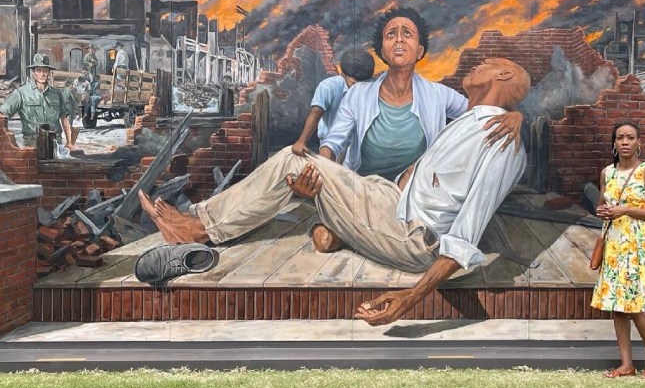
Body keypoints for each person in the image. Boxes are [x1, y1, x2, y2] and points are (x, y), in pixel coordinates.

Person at [140, 57, 531, 326]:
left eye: (488, 63)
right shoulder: (473, 120)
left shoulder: (501, 139)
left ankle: (200, 229)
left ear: (504, 75)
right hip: (389, 200)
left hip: (413, 236)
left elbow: (465, 235)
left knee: (293, 161)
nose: (478, 65)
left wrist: (410, 298)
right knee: (308, 171)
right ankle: (335, 227)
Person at [320, 6, 521, 180]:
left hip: (415, 192)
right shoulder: (358, 94)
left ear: (419, 51)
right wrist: (320, 170)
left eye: (407, 34)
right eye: (391, 34)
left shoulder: (439, 94)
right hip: (361, 188)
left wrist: (513, 115)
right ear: (382, 50)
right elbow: (334, 141)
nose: (399, 39)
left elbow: (478, 115)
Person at [591, 120, 645, 380]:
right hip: (613, 242)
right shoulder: (607, 173)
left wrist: (625, 210)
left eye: (630, 137)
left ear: (638, 142)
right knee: (617, 305)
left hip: (637, 244)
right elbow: (602, 205)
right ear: (614, 143)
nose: (625, 142)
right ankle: (626, 364)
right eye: (620, 137)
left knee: (634, 304)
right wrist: (603, 211)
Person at [291, 47, 376, 158]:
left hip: (360, 144)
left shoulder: (374, 87)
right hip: (331, 143)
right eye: (354, 83)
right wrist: (301, 141)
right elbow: (315, 113)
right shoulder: (328, 87)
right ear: (343, 74)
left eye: (363, 83)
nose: (358, 88)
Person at [0, 53, 76, 149]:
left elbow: (64, 118)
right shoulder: (21, 93)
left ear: (49, 73)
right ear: (33, 72)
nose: (42, 74)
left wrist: (69, 142)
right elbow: (3, 114)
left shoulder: (57, 94)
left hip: (55, 142)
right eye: (38, 71)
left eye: (45, 71)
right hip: (32, 143)